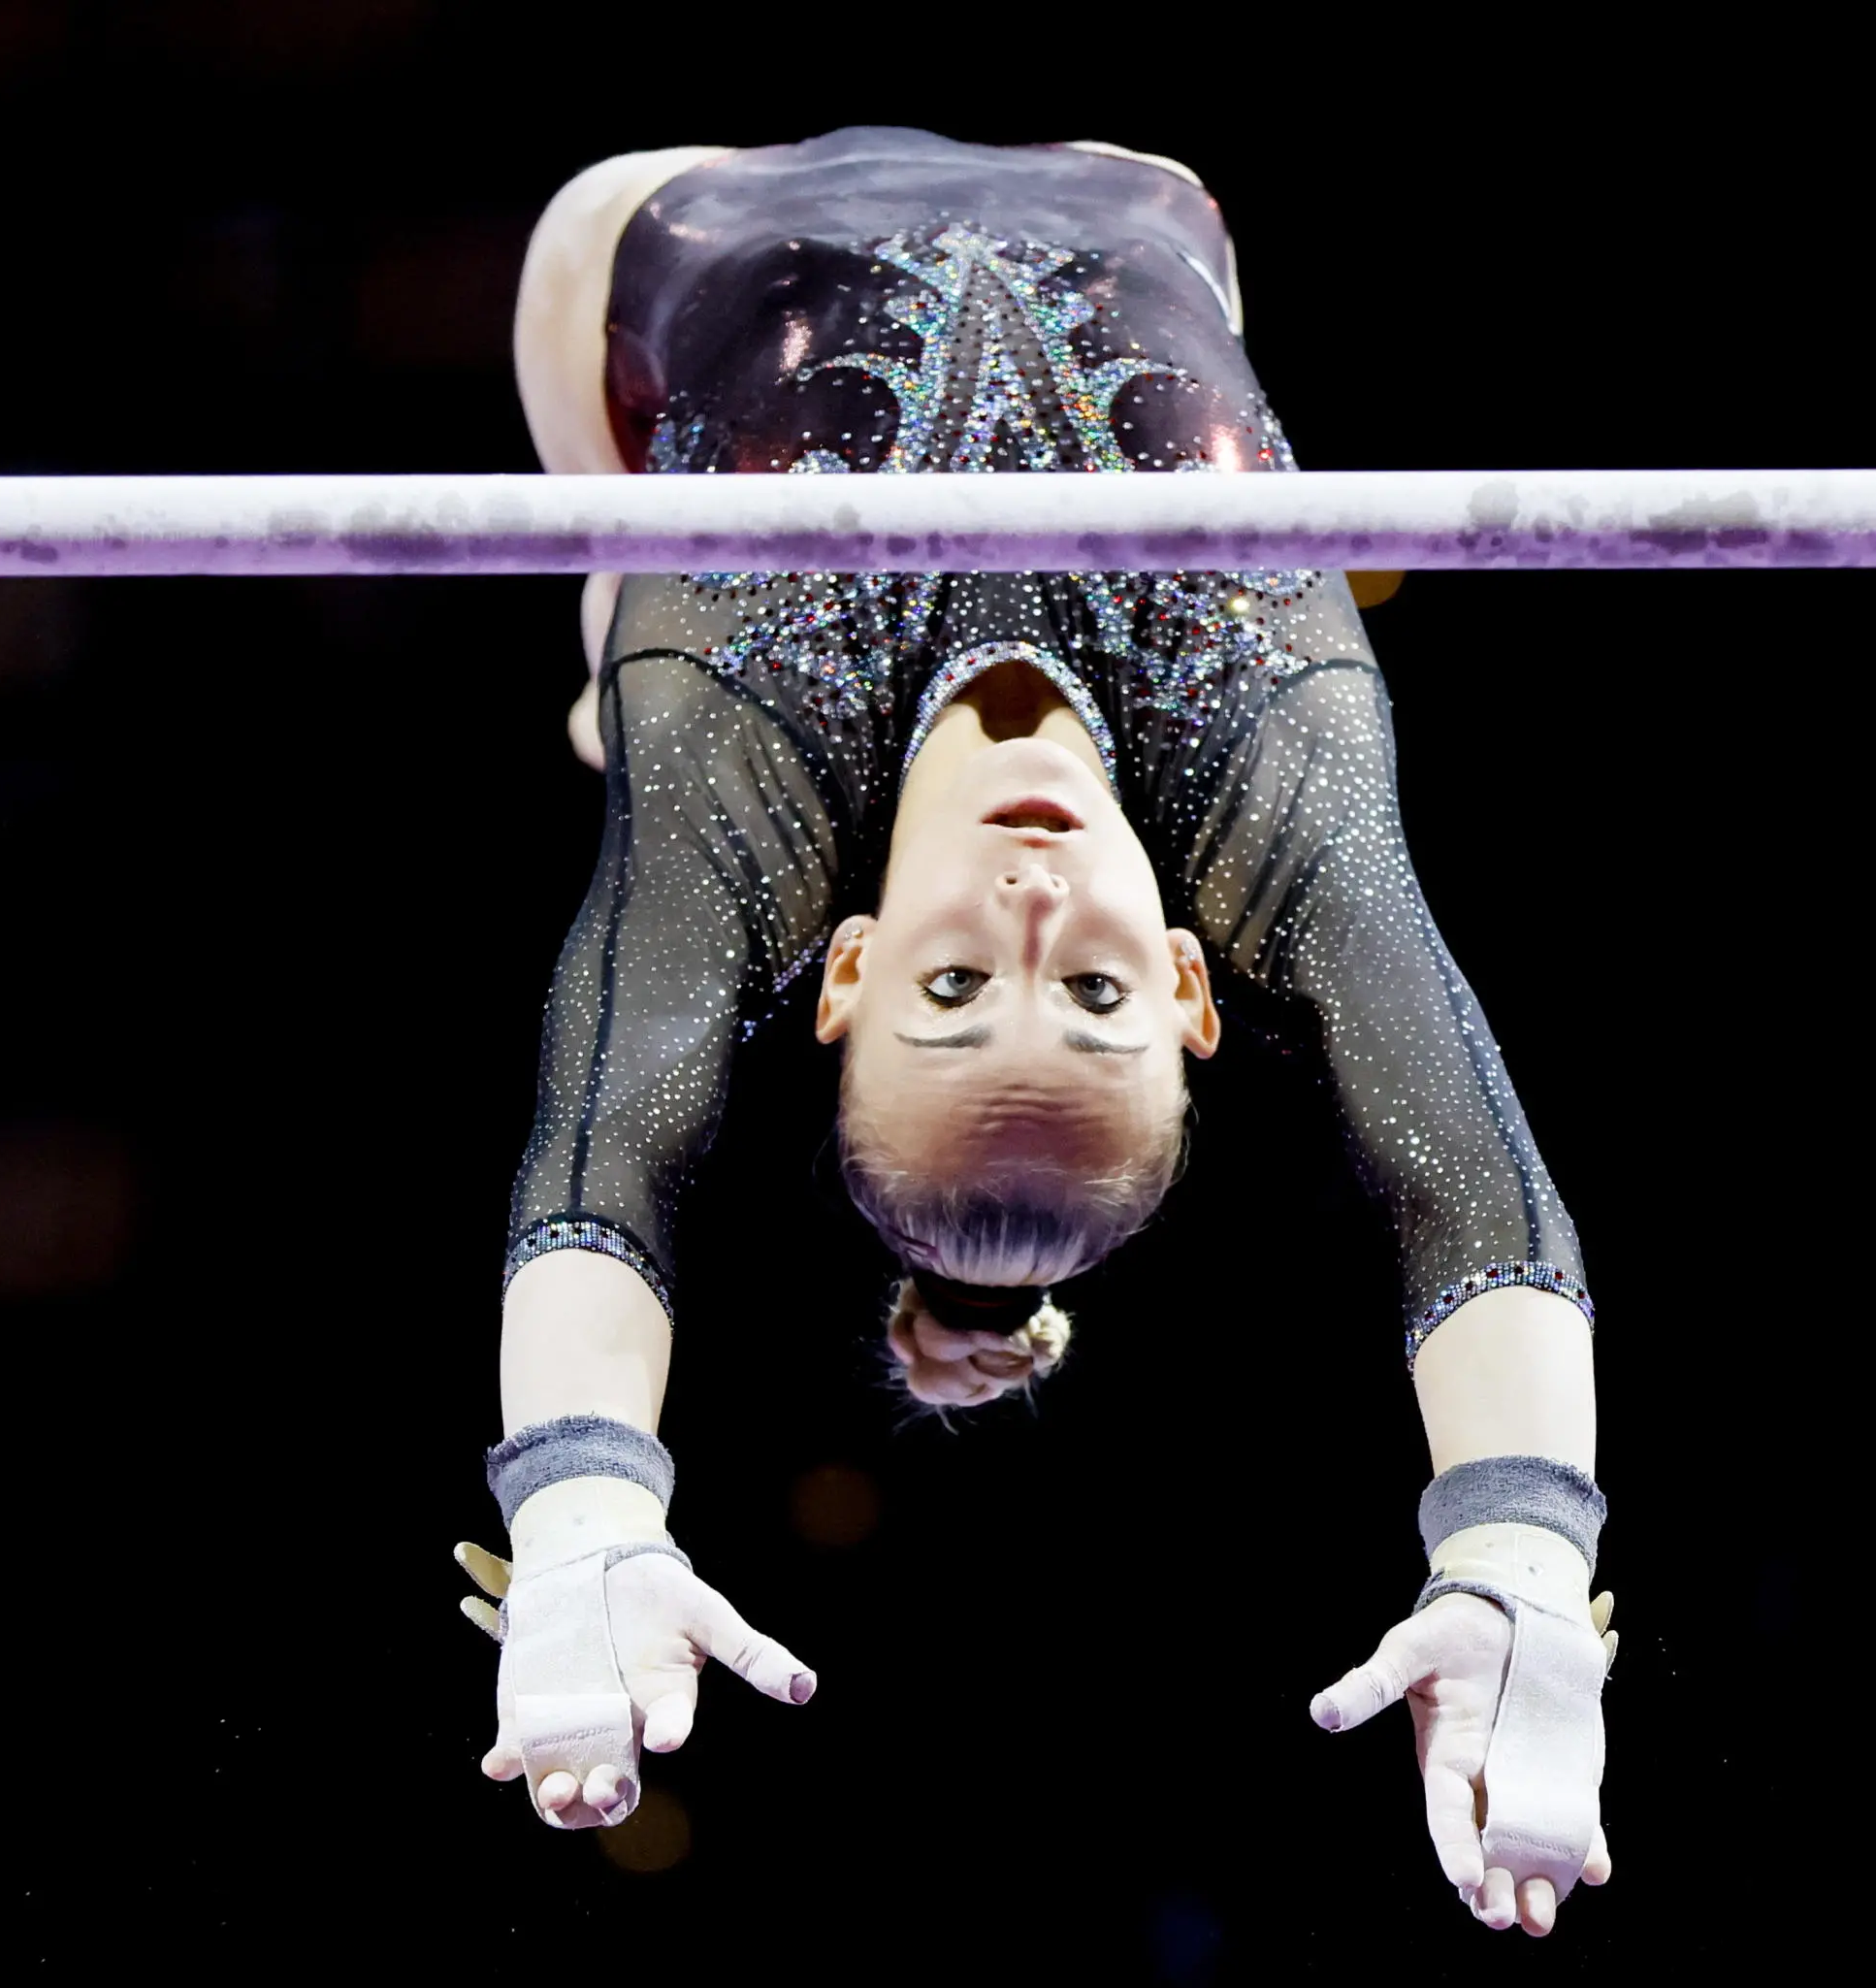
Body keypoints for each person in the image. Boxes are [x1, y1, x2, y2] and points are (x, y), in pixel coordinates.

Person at [459, 128, 1616, 1937]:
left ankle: (596, 611)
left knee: (635, 633)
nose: (1025, 920)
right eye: (1090, 996)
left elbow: (614, 1128)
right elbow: (1467, 1168)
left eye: (946, 993)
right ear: (1183, 982)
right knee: (641, 660)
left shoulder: (742, 757)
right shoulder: (1277, 763)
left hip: (655, 237)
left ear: (838, 971)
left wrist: (587, 1504)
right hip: (1137, 194)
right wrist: (1519, 1552)